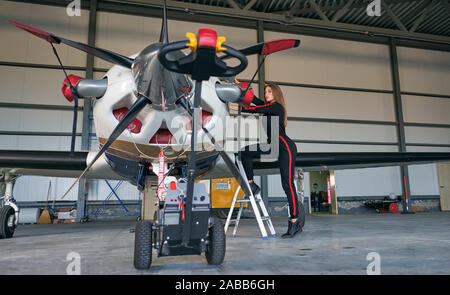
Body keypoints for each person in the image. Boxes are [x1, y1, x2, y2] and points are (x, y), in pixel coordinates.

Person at [230, 80, 302, 239]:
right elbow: (254, 99)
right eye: (265, 91)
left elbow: (255, 108)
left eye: (269, 91)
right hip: (272, 146)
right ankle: (251, 183)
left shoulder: (276, 107)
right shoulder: (268, 106)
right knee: (243, 153)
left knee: (287, 183)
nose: (266, 94)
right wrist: (241, 87)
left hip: (285, 148)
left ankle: (295, 221)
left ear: (275, 93)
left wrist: (233, 107)